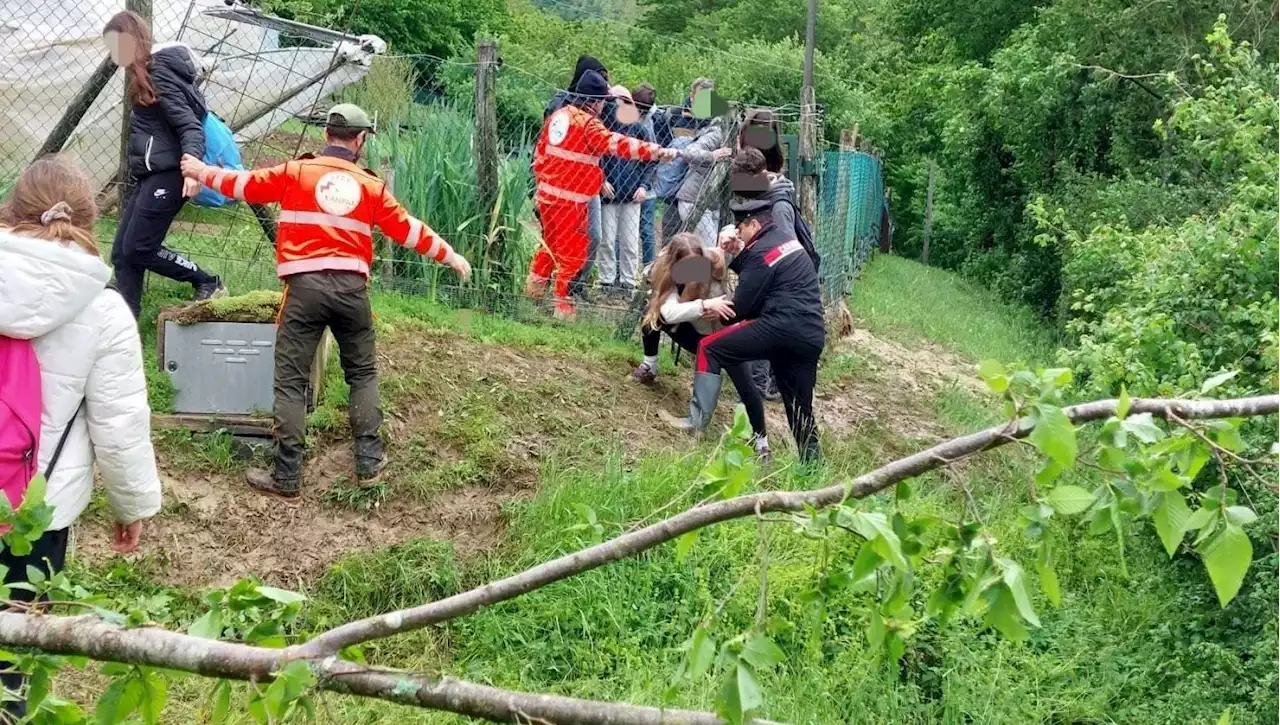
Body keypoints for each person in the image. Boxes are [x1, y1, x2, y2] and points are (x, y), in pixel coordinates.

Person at [181, 103, 473, 498]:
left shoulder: (296, 172)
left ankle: (286, 476)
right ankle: (369, 464)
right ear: (361, 140)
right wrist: (451, 256)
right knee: (363, 375)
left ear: (325, 135)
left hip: (304, 291)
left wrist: (201, 171)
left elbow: (243, 185)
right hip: (352, 293)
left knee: (290, 381)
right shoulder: (372, 187)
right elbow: (409, 230)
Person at [0, 156, 162, 717]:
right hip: (36, 509)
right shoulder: (106, 310)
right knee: (17, 640)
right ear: (92, 222)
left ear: (10, 210)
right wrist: (131, 505)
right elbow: (119, 425)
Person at [665, 198, 826, 463]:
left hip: (778, 327)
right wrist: (739, 252)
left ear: (753, 224)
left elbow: (739, 309)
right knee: (798, 405)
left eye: (740, 228)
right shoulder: (784, 238)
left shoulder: (760, 253)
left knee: (710, 347)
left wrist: (709, 308)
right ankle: (812, 466)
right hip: (810, 334)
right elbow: (763, 271)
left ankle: (695, 423)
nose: (737, 234)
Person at [102, 10, 225, 319]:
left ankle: (206, 280)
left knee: (139, 248)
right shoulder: (144, 73)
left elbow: (189, 125)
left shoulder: (158, 73)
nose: (113, 53)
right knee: (122, 253)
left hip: (170, 174)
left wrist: (193, 168)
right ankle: (125, 322)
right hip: (151, 174)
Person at [527, 70, 675, 322]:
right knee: (572, 256)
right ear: (594, 101)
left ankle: (531, 297)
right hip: (572, 202)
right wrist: (656, 151)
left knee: (548, 248)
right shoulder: (588, 124)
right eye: (602, 101)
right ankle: (563, 311)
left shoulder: (557, 117)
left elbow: (539, 155)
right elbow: (617, 144)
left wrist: (540, 190)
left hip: (548, 199)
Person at [631, 233, 741, 384]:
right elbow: (667, 313)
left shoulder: (714, 265)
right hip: (692, 332)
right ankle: (649, 367)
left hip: (719, 336)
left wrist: (730, 237)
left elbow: (735, 240)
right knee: (651, 313)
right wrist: (703, 306)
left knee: (743, 378)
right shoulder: (666, 272)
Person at [597, 85, 656, 298]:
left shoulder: (640, 129)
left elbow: (651, 160)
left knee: (630, 243)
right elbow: (595, 156)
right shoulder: (603, 127)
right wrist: (601, 180)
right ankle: (606, 281)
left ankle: (628, 283)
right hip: (608, 195)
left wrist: (644, 186)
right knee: (606, 240)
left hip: (632, 195)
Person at [675, 78, 731, 247]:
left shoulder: (721, 125)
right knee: (710, 252)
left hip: (711, 200)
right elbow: (689, 152)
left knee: (707, 251)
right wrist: (712, 155)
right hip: (692, 197)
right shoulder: (716, 132)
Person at [633, 83, 659, 264]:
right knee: (637, 228)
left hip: (648, 182)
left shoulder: (652, 123)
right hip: (631, 181)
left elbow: (655, 157)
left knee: (646, 228)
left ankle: (648, 267)